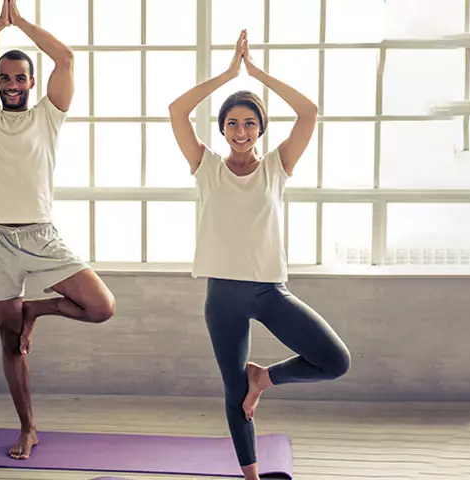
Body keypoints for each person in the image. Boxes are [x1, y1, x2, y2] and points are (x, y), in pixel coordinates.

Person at [168, 30, 351, 480]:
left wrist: (257, 74)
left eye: (250, 123)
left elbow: (308, 112)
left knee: (334, 360)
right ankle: (251, 477)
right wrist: (229, 74)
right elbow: (177, 111)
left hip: (269, 291)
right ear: (223, 129)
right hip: (223, 296)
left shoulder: (276, 167)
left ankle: (263, 378)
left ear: (261, 128)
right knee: (233, 392)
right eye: (232, 123)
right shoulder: (206, 166)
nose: (241, 131)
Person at [0, 0, 115, 460]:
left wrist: (21, 22)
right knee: (9, 341)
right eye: (5, 77)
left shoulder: (48, 115)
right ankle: (28, 428)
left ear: (32, 83)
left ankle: (36, 310)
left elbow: (65, 59)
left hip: (41, 237)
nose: (13, 85)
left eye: (21, 77)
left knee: (101, 306)